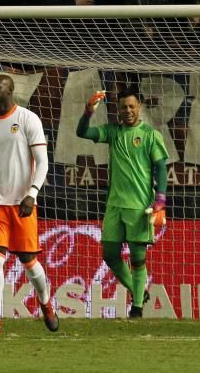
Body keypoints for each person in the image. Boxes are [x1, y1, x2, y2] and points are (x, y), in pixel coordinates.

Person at [0, 74, 58, 334]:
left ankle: (46, 303)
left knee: (29, 261)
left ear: (10, 90)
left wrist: (32, 193)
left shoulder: (28, 119)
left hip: (22, 202)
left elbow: (42, 162)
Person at [76, 89, 168, 317]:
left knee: (138, 259)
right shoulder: (112, 131)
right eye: (123, 107)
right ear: (118, 109)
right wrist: (88, 112)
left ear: (140, 107)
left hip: (139, 206)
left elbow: (162, 168)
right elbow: (82, 132)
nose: (127, 111)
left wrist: (161, 200)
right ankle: (139, 292)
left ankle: (136, 308)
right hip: (115, 206)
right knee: (109, 255)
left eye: (131, 106)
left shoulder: (150, 135)